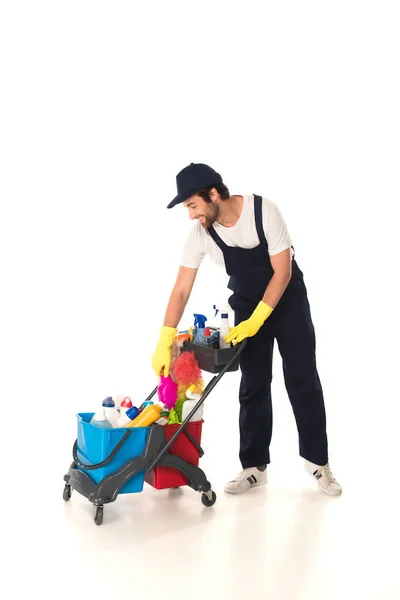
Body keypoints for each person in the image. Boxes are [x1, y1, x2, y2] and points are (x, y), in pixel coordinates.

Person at [152, 163, 342, 496]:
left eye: (193, 205)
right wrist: (165, 337)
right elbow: (181, 289)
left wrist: (258, 320)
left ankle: (318, 463)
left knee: (302, 379)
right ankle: (253, 467)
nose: (191, 215)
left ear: (213, 194)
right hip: (246, 304)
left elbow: (281, 272)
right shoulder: (201, 235)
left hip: (288, 303)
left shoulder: (263, 211)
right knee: (253, 384)